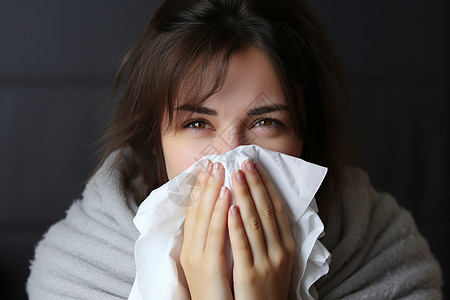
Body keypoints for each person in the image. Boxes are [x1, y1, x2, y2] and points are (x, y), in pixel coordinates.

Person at [27, 0, 442, 299]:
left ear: (304, 140)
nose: (232, 155)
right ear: (156, 140)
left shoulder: (385, 253)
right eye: (197, 123)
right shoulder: (77, 272)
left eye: (265, 122)